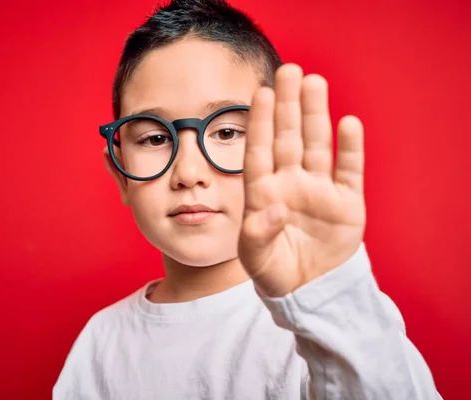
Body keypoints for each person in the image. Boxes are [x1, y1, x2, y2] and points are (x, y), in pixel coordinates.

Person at [53, 0, 441, 398]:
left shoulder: (334, 319)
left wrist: (331, 298)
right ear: (120, 174)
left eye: (226, 133)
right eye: (155, 138)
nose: (188, 173)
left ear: (277, 146)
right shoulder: (101, 343)